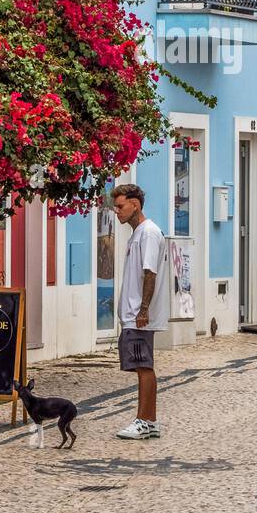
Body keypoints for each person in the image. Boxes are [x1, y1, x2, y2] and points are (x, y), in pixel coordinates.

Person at [112, 183, 169, 440]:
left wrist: (143, 309)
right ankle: (150, 421)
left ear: (135, 205)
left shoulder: (148, 233)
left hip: (139, 315)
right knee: (140, 366)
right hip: (134, 314)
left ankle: (144, 421)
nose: (117, 211)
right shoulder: (138, 233)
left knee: (143, 365)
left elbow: (150, 273)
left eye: (120, 206)